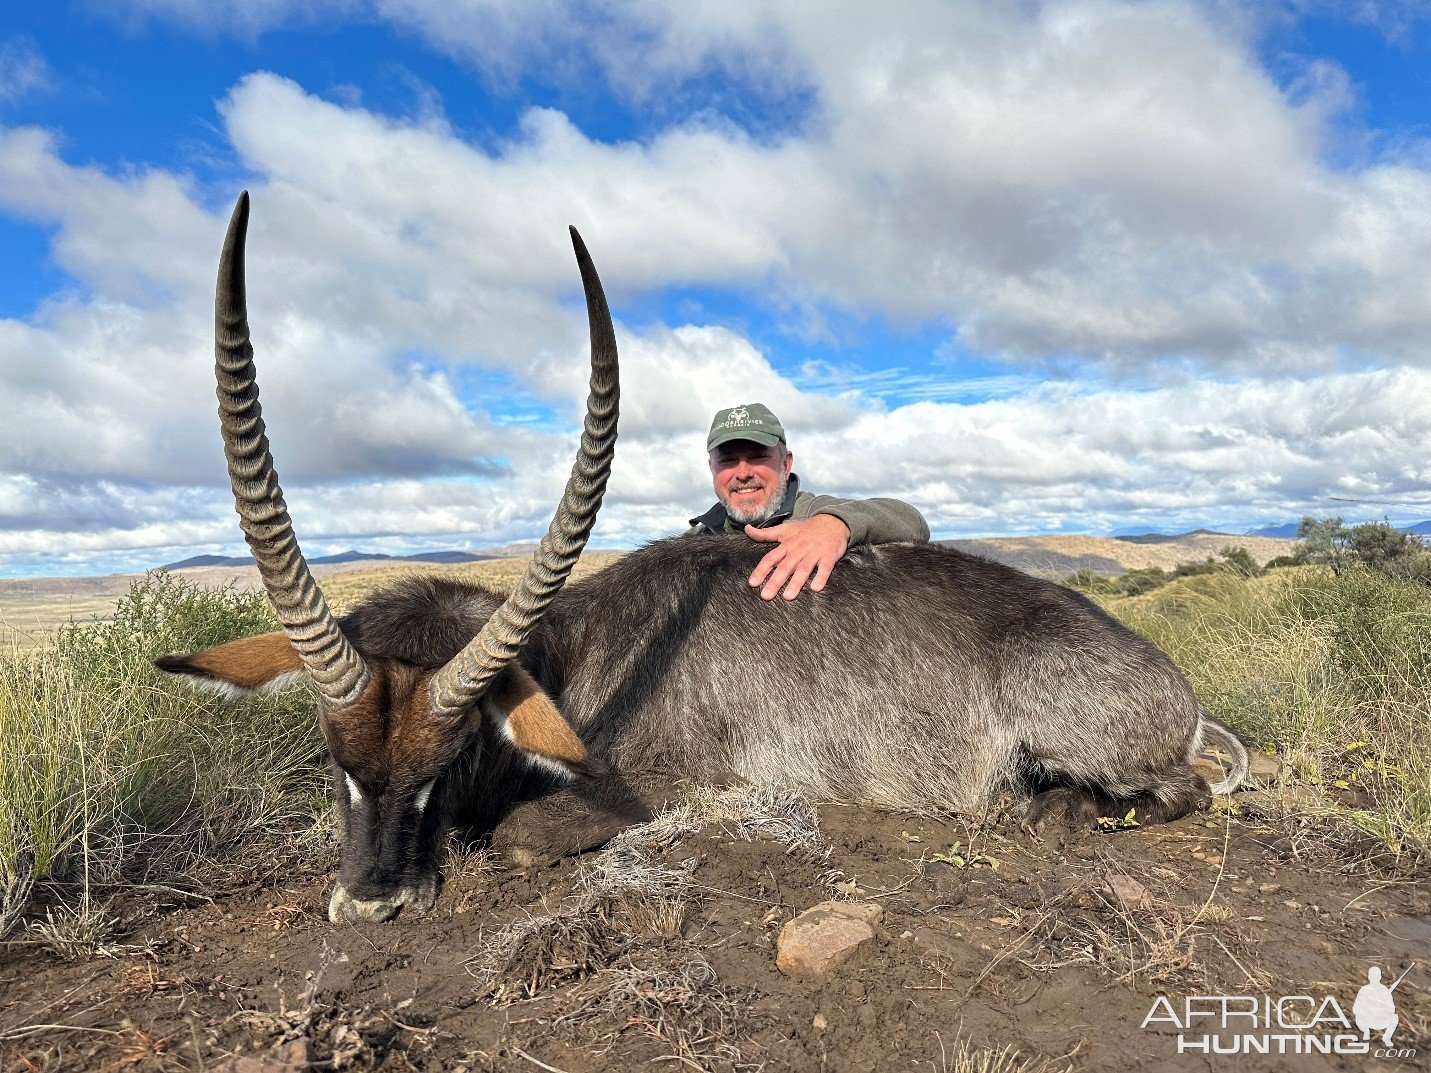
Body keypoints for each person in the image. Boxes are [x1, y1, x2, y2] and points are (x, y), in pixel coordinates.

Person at [687, 403, 930, 601]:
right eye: (728, 461)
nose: (742, 474)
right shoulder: (694, 540)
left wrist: (834, 526)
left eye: (758, 457)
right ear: (712, 469)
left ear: (786, 463)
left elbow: (913, 522)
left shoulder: (816, 512)